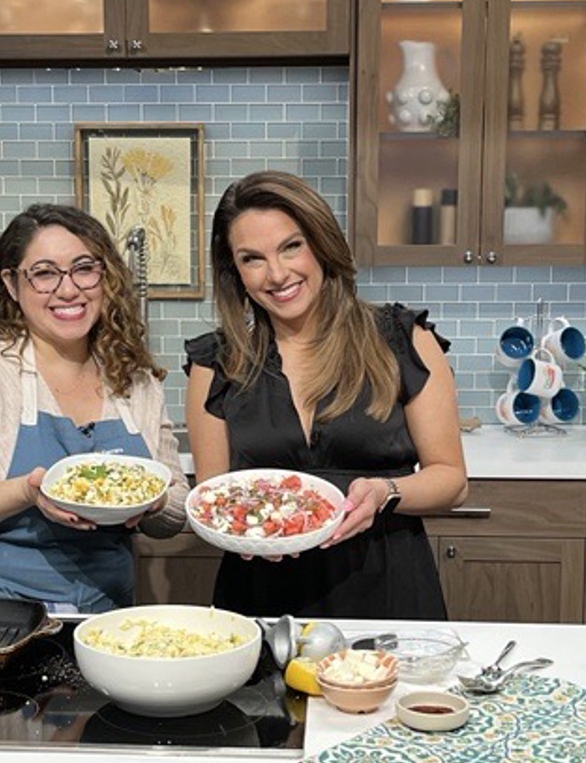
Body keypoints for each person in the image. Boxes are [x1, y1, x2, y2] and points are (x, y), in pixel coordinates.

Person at [184, 170, 467, 619]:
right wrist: (244, 530)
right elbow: (212, 498)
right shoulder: (217, 363)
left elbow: (451, 478)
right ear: (235, 272)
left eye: (291, 246)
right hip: (261, 593)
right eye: (252, 258)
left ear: (321, 243)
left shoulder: (401, 339)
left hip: (385, 584)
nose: (277, 274)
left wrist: (385, 491)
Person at [0, 203, 187, 613]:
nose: (68, 289)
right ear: (13, 285)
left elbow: (173, 511)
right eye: (44, 273)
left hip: (98, 619)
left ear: (105, 277)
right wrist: (25, 491)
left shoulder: (133, 379)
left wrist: (155, 502)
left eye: (84, 268)